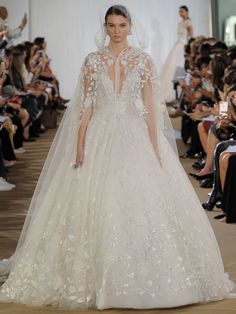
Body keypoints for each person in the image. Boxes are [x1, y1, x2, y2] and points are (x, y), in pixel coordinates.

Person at [0, 4, 235, 310]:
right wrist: (81, 144)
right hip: (99, 136)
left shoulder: (144, 61)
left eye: (121, 25)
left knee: (137, 200)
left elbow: (151, 108)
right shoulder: (92, 61)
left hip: (134, 135)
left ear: (129, 26)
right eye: (111, 25)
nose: (116, 31)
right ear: (105, 27)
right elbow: (86, 108)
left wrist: (156, 147)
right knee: (96, 198)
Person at [160, 5, 193, 103]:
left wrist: (189, 49)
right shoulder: (180, 23)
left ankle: (182, 91)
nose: (180, 13)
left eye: (182, 11)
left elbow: (191, 37)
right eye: (179, 11)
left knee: (179, 66)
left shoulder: (188, 23)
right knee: (171, 67)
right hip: (177, 46)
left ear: (186, 12)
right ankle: (174, 91)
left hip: (183, 47)